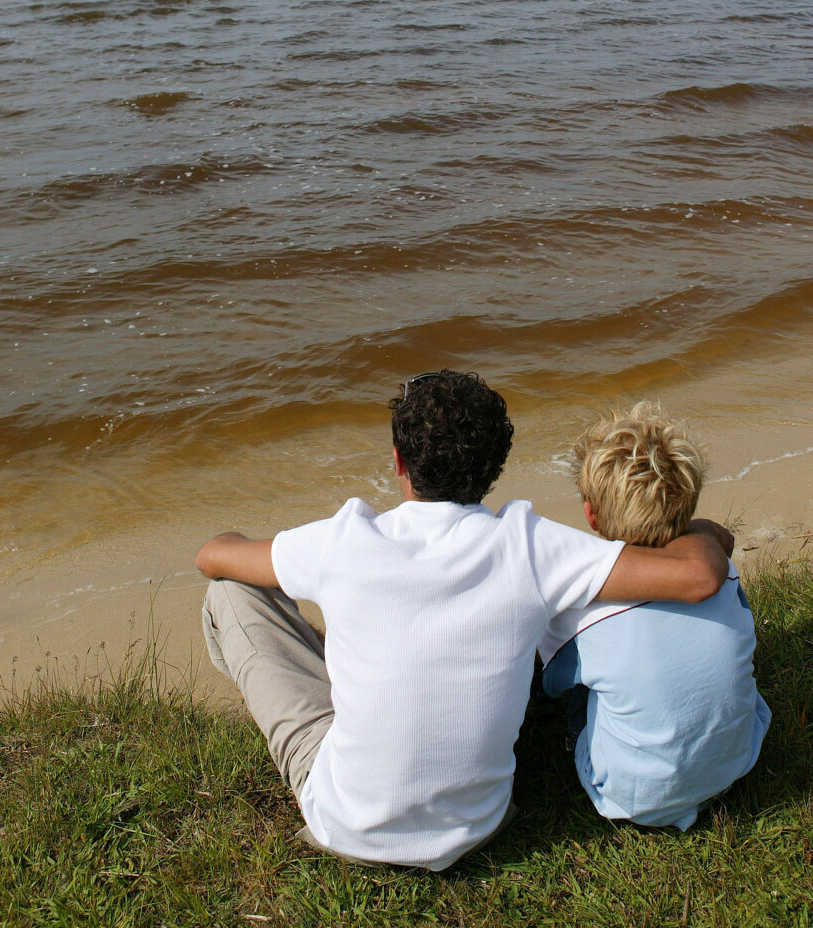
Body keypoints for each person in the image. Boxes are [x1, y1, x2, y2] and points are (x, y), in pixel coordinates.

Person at [196, 370, 732, 870]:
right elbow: (697, 576)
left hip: (346, 825)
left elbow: (212, 556)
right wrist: (704, 529)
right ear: (495, 468)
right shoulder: (530, 545)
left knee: (230, 594)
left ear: (399, 462)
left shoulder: (343, 541)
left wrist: (241, 544)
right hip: (480, 824)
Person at [540, 402, 770, 831]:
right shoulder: (724, 573)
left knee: (575, 689)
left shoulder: (583, 612)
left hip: (631, 797)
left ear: (591, 514)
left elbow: (553, 685)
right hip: (736, 764)